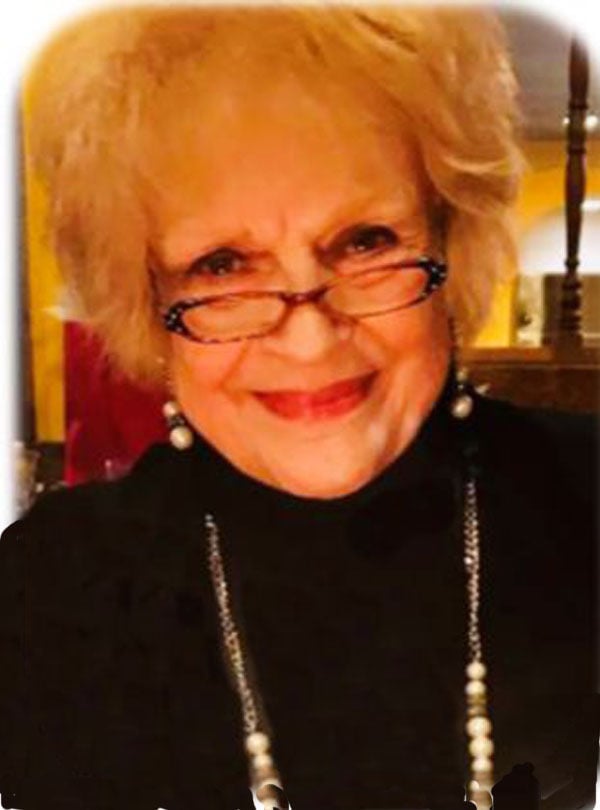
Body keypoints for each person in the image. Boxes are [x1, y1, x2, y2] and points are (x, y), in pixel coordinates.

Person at [1, 5, 597, 810]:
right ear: (146, 299)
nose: (311, 340)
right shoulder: (48, 593)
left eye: (365, 242)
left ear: (451, 246)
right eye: (222, 265)